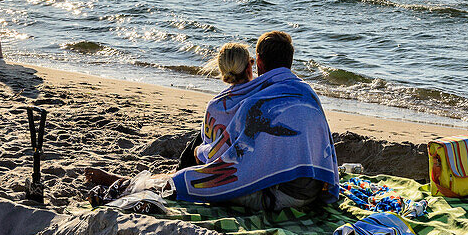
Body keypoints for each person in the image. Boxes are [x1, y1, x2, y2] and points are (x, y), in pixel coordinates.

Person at [86, 32, 339, 211]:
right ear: (290, 61)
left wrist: (199, 151)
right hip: (314, 190)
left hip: (279, 196)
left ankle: (129, 184)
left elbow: (221, 156)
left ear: (259, 63)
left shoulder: (256, 105)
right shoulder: (309, 94)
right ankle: (139, 181)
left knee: (191, 180)